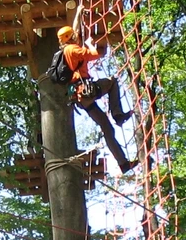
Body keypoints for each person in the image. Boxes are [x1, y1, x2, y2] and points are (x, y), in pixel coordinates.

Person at [55, 25, 137, 175]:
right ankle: (117, 114)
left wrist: (79, 11)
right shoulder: (73, 49)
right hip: (86, 90)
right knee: (111, 82)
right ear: (70, 37)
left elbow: (75, 30)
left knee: (107, 128)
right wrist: (90, 44)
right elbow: (94, 54)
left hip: (81, 98)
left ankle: (123, 164)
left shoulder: (64, 51)